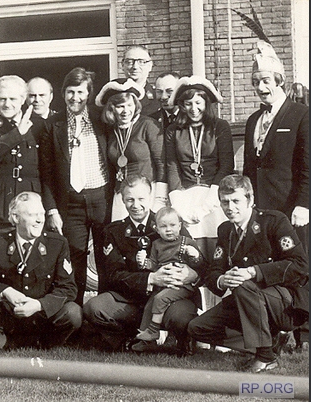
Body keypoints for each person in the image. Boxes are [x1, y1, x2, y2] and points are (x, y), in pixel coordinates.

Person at [187, 175, 308, 372]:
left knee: (243, 284)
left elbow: (299, 265)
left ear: (250, 200)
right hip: (247, 302)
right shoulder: (225, 230)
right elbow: (214, 270)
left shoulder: (274, 221)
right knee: (198, 328)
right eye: (225, 202)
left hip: (284, 303)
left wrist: (253, 272)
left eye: (236, 201)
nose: (230, 207)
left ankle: (265, 357)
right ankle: (269, 341)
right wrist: (222, 280)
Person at [83, 174, 199, 353]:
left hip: (168, 299)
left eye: (141, 199)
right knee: (94, 307)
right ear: (122, 200)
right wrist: (151, 278)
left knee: (181, 316)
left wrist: (191, 273)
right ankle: (125, 337)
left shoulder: (169, 221)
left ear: (151, 197)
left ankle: (182, 339)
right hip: (131, 301)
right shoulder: (113, 232)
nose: (135, 205)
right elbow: (113, 275)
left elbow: (200, 264)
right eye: (130, 199)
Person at [0, 191, 81, 350]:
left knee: (73, 312)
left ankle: (47, 345)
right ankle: (2, 344)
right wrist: (6, 291)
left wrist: (39, 305)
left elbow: (69, 288)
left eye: (42, 214)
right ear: (15, 218)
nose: (40, 220)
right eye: (33, 215)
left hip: (42, 316)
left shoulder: (57, 244)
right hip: (10, 315)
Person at [38, 67, 110, 306]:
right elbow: (46, 173)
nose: (75, 98)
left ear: (89, 93)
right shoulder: (53, 125)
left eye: (80, 92)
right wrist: (51, 210)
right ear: (63, 93)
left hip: (101, 198)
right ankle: (75, 318)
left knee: (106, 257)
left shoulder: (102, 119)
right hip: (71, 204)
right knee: (75, 259)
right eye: (70, 92)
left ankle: (106, 315)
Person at [243, 41, 308, 253]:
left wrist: (304, 204)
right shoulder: (253, 120)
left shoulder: (301, 114)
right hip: (261, 210)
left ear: (279, 81)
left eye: (266, 81)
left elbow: (308, 165)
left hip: (291, 208)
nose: (261, 88)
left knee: (298, 267)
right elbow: (249, 167)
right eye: (255, 82)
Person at [165, 76, 234, 264]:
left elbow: (227, 165)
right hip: (185, 197)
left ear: (206, 102)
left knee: (217, 252)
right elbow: (171, 166)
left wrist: (209, 202)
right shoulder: (173, 130)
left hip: (214, 198)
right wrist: (179, 205)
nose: (193, 109)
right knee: (190, 254)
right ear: (182, 105)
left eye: (198, 102)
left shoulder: (220, 127)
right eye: (188, 104)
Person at [0, 75, 45, 243]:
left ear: (23, 99)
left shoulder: (40, 127)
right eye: (2, 99)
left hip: (31, 207)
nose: (7, 104)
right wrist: (17, 134)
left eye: (12, 99)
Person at [131, 207, 202, 351]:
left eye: (172, 225)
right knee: (149, 306)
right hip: (163, 285)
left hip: (182, 285)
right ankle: (146, 340)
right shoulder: (156, 245)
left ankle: (154, 331)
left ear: (180, 226)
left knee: (159, 299)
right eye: (163, 226)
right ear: (156, 229)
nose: (168, 229)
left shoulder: (186, 243)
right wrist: (143, 262)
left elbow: (199, 265)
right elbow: (154, 265)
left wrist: (194, 255)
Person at [95, 78, 167, 220]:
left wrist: (160, 198)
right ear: (111, 108)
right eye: (120, 106)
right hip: (122, 196)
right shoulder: (111, 130)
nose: (125, 111)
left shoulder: (148, 125)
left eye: (129, 105)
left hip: (147, 195)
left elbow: (161, 163)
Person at [120, 45, 158, 116]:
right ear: (122, 65)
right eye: (129, 62)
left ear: (150, 66)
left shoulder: (157, 97)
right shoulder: (114, 95)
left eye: (141, 62)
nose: (135, 67)